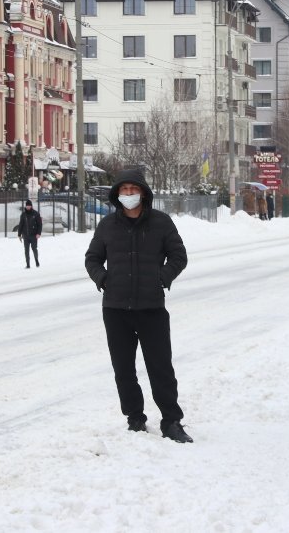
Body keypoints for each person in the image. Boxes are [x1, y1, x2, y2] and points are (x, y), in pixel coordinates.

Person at [84, 169, 192, 443]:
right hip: (115, 309)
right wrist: (103, 279)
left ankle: (171, 421)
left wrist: (162, 278)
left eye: (133, 189)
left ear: (143, 192)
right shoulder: (107, 225)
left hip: (151, 308)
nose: (128, 194)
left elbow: (178, 256)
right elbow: (92, 259)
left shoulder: (161, 223)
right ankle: (135, 418)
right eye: (124, 190)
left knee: (160, 367)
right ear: (117, 194)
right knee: (123, 368)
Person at [16, 199, 42, 269]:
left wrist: (38, 233)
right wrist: (19, 234)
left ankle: (36, 261)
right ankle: (28, 264)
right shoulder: (23, 215)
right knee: (26, 250)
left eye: (29, 205)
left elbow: (40, 224)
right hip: (26, 236)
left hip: (34, 235)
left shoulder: (36, 214)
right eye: (27, 206)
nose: (28, 207)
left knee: (34, 249)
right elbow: (21, 224)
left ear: (31, 206)